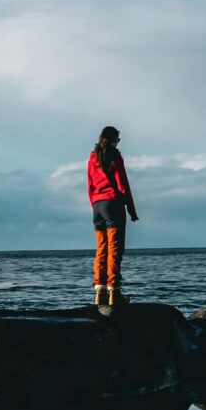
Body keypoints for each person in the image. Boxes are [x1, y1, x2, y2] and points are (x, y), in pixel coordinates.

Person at [87, 125, 139, 310]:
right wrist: (132, 210)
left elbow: (90, 185)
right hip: (113, 205)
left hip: (97, 207)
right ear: (114, 139)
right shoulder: (115, 156)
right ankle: (114, 293)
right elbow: (123, 184)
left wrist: (95, 204)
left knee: (101, 249)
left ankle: (99, 292)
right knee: (115, 250)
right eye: (118, 139)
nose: (119, 142)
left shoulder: (93, 156)